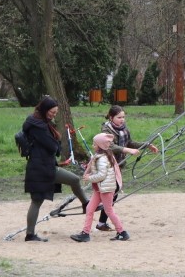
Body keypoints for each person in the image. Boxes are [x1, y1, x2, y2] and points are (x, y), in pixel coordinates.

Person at [21, 96, 89, 242]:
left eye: (55, 112)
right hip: (42, 168)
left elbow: (51, 145)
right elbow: (52, 146)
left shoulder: (40, 122)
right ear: (45, 110)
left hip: (41, 165)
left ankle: (30, 234)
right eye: (52, 112)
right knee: (74, 179)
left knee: (37, 201)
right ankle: (86, 204)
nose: (54, 114)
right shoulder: (38, 126)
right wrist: (57, 145)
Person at [94, 105, 158, 232]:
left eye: (123, 117)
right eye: (119, 117)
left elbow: (130, 143)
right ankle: (98, 215)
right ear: (111, 117)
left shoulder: (124, 130)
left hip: (118, 165)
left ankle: (101, 222)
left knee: (114, 192)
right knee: (111, 191)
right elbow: (109, 145)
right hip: (107, 164)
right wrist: (127, 150)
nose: (122, 120)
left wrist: (147, 145)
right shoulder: (106, 129)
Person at [71, 133, 130, 242]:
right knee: (89, 208)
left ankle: (122, 232)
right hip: (100, 188)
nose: (93, 145)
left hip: (106, 189)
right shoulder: (101, 156)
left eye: (94, 144)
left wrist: (89, 177)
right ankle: (85, 233)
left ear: (100, 146)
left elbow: (101, 175)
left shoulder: (102, 159)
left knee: (109, 210)